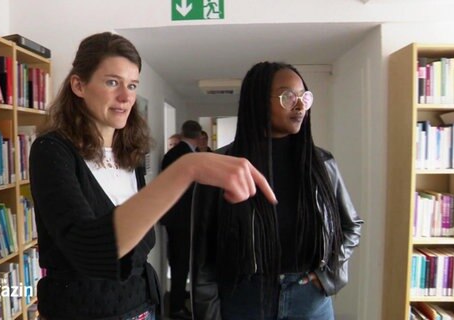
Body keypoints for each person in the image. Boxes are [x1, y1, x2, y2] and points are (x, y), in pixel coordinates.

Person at [29, 32, 276, 320]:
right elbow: (90, 252)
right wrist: (187, 168)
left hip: (141, 306)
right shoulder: (51, 151)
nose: (126, 97)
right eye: (112, 82)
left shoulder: (128, 153)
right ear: (79, 85)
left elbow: (140, 240)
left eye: (132, 85)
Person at [191, 62, 363, 320]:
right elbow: (203, 256)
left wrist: (328, 274)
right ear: (258, 102)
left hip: (309, 301)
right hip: (243, 299)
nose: (300, 105)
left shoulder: (322, 165)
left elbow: (351, 226)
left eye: (304, 96)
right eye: (288, 96)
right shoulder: (220, 166)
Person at [160, 120, 202, 319]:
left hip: (174, 216)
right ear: (197, 136)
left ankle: (178, 296)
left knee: (178, 260)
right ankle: (176, 307)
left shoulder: (172, 154)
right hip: (183, 219)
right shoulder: (189, 156)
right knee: (181, 262)